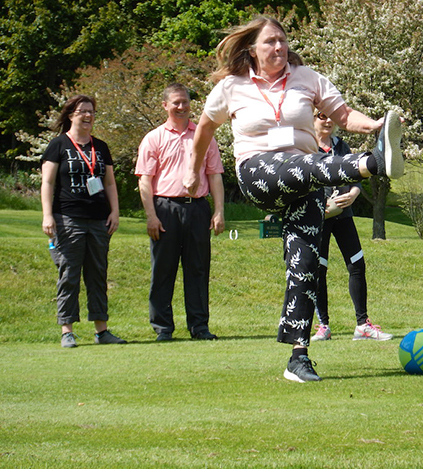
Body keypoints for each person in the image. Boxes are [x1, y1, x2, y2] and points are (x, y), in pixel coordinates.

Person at [184, 16, 404, 383]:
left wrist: (379, 126)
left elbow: (345, 116)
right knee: (304, 164)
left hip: (307, 183)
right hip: (258, 173)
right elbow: (205, 128)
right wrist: (193, 171)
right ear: (252, 49)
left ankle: (298, 357)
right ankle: (371, 163)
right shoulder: (231, 87)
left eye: (283, 40)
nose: (279, 48)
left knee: (303, 266)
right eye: (270, 42)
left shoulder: (308, 77)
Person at [135, 83, 225, 342]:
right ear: (165, 105)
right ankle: (163, 328)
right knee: (163, 270)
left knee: (198, 270)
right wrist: (151, 216)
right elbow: (145, 181)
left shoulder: (204, 135)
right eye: (176, 102)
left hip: (197, 209)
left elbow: (215, 176)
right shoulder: (154, 138)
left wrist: (218, 211)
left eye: (185, 101)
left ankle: (199, 327)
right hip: (165, 209)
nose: (182, 106)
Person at [41, 95, 127, 348]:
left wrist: (115, 212)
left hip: (99, 219)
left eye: (91, 112)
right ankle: (67, 330)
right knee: (69, 273)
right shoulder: (58, 145)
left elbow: (109, 182)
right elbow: (47, 183)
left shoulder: (100, 147)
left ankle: (102, 331)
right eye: (82, 112)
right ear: (71, 115)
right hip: (68, 218)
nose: (88, 116)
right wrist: (47, 215)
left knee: (98, 274)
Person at [311, 110, 393, 342]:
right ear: (312, 119)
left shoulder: (342, 147)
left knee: (357, 265)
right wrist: (320, 205)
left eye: (330, 116)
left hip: (344, 216)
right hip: (320, 219)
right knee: (319, 270)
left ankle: (362, 326)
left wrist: (354, 193)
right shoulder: (306, 146)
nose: (327, 121)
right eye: (320, 115)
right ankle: (322, 326)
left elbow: (354, 177)